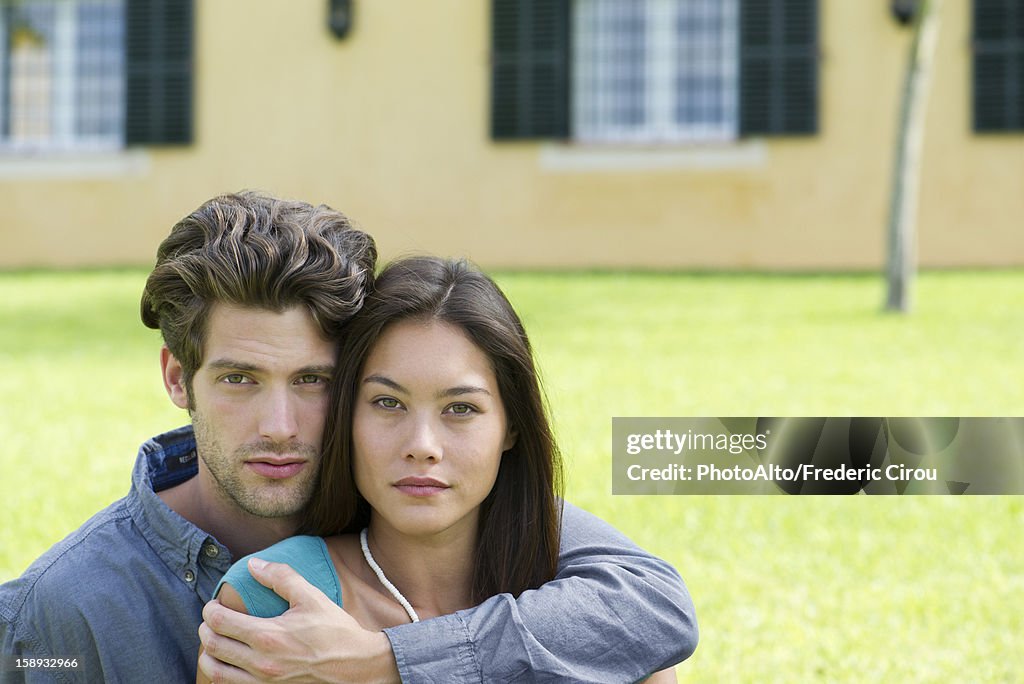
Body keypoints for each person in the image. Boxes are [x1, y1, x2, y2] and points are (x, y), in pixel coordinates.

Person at [0, 192, 697, 683]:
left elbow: (650, 608)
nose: (281, 428)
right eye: (240, 379)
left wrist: (385, 662)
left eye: (314, 381)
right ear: (178, 379)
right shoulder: (66, 608)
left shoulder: (417, 498)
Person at [200, 256, 677, 683]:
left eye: (461, 409)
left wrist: (388, 663)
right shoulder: (275, 601)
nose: (422, 447)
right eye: (388, 403)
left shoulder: (594, 622)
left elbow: (662, 610)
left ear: (511, 428)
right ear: (347, 416)